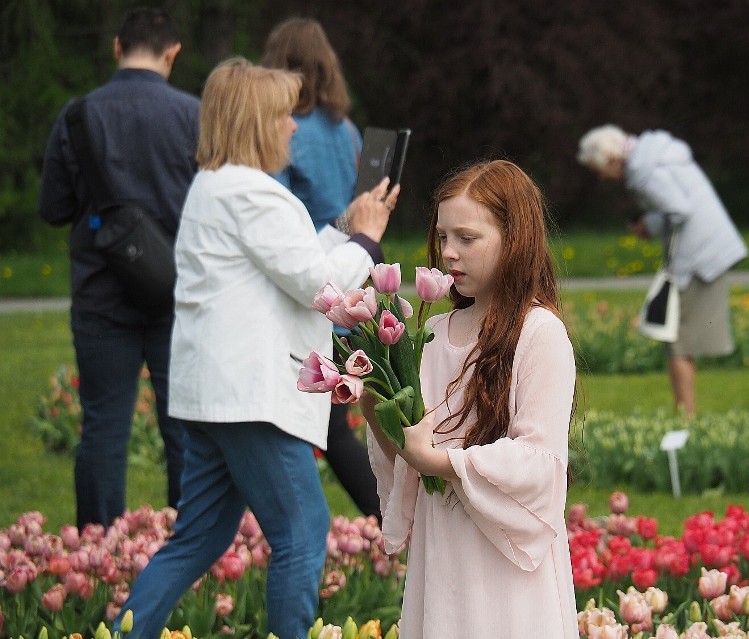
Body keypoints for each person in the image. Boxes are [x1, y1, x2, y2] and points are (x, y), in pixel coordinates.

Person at [116, 58, 397, 639]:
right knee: (302, 530)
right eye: (284, 115)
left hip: (217, 396)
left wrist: (349, 222)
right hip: (251, 397)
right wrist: (366, 240)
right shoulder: (251, 194)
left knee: (199, 537)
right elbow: (319, 285)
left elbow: (292, 259)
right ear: (256, 122)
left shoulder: (221, 187)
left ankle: (123, 633)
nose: (295, 127)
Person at [362, 160, 580, 638]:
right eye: (442, 238)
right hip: (446, 548)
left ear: (514, 239)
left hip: (507, 557)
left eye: (467, 238)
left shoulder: (538, 333)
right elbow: (407, 454)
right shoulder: (431, 335)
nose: (448, 254)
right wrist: (371, 391)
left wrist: (442, 462)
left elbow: (540, 462)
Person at [37, 7, 198, 530]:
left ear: (116, 47)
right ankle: (186, 546)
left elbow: (55, 209)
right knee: (183, 425)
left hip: (99, 293)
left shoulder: (78, 115)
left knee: (103, 427)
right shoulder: (193, 116)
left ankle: (100, 546)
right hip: (179, 293)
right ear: (172, 52)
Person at [261, 18, 381, 521]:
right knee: (338, 417)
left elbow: (278, 216)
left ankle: (386, 515)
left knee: (327, 427)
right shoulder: (347, 129)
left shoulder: (283, 129)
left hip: (311, 276)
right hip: (354, 272)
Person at [577, 125, 748, 418]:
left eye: (598, 170)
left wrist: (649, 226)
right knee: (679, 338)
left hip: (699, 258)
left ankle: (685, 419)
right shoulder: (654, 155)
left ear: (609, 160)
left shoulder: (645, 171)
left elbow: (680, 210)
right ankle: (686, 415)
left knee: (676, 339)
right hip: (710, 249)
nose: (602, 178)